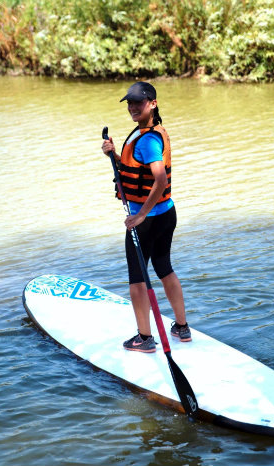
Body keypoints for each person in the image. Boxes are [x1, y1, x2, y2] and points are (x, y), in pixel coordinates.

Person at [101, 81, 191, 353]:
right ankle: (182, 328)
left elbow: (160, 178)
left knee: (137, 280)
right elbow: (135, 170)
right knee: (164, 268)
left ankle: (144, 338)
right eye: (129, 102)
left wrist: (140, 216)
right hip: (166, 213)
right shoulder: (149, 132)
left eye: (138, 102)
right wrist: (114, 154)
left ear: (152, 103)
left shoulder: (149, 138)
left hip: (148, 220)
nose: (132, 107)